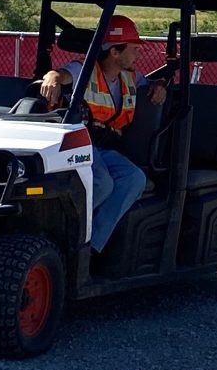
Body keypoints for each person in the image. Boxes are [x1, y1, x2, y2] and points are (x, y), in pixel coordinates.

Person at [40, 15, 166, 254]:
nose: (138, 54)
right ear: (115, 52)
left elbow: (152, 82)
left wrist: (159, 85)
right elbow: (60, 75)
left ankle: (89, 248)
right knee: (103, 184)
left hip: (105, 149)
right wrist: (52, 78)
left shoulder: (130, 77)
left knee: (133, 179)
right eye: (133, 49)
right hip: (79, 146)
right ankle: (57, 233)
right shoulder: (84, 70)